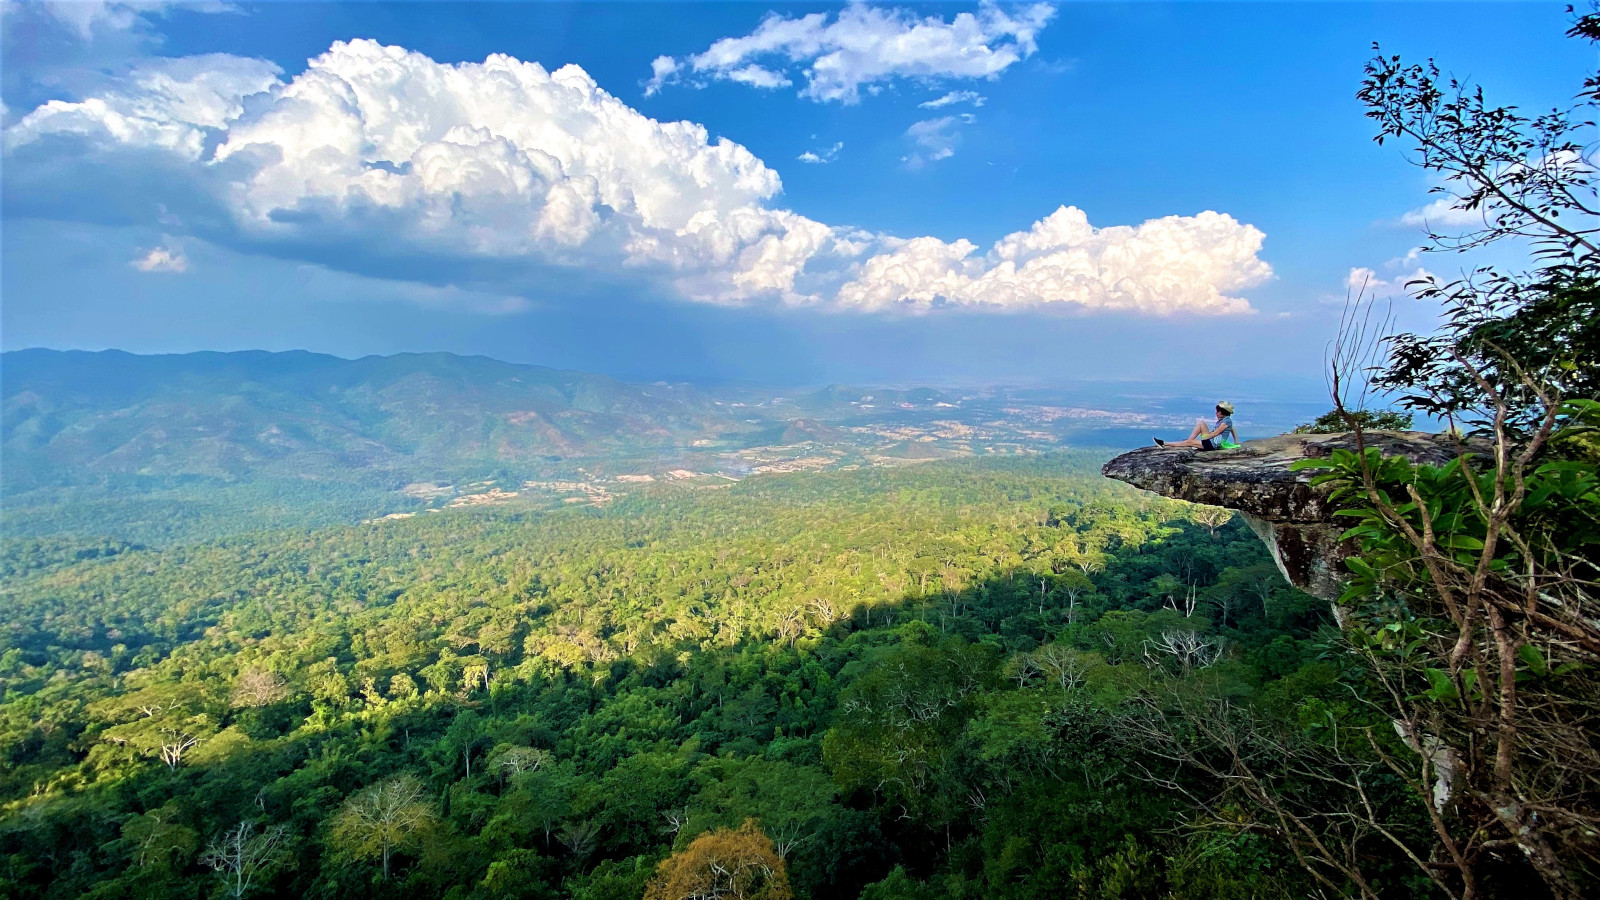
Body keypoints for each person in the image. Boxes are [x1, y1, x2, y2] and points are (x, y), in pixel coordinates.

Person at [1154, 401, 1241, 451]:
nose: (1216, 413)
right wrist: (1236, 440)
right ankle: (1190, 441)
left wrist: (1204, 439)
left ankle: (1164, 443)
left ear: (1222, 412)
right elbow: (1232, 428)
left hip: (1213, 444)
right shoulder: (1225, 420)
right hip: (1210, 440)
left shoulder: (1226, 421)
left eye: (1217, 411)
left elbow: (1216, 433)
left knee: (1188, 443)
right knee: (1201, 423)